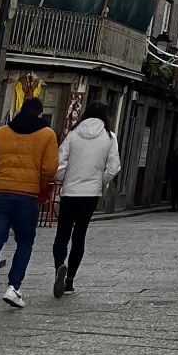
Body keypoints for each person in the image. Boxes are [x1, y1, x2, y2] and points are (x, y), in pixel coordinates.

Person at [0, 94, 58, 310]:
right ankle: (13, 287)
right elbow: (50, 169)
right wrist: (38, 186)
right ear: (40, 113)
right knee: (24, 242)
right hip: (27, 196)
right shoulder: (47, 135)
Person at [53, 94, 121, 298]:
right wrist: (100, 181)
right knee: (79, 235)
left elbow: (60, 161)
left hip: (70, 192)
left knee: (62, 233)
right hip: (90, 194)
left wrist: (63, 178)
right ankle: (70, 281)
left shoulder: (73, 134)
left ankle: (59, 266)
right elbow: (114, 167)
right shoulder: (110, 137)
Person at [165, 144, 178, 211]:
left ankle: (177, 205)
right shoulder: (173, 157)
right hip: (174, 177)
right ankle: (174, 206)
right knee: (174, 192)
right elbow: (169, 166)